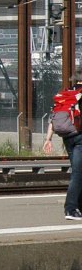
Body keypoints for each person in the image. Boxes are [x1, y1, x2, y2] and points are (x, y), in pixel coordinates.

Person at [43, 70, 82, 220]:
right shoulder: (79, 96)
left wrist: (48, 139)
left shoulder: (65, 95)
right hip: (79, 137)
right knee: (77, 174)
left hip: (67, 138)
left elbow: (53, 118)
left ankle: (78, 208)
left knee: (78, 172)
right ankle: (70, 209)